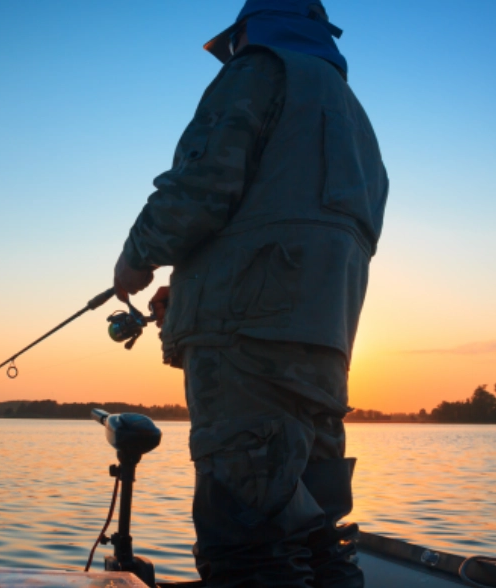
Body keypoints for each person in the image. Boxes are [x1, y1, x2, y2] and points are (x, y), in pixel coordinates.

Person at [112, 1, 388, 586]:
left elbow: (200, 189)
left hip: (245, 347)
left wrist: (136, 256)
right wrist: (186, 296)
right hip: (325, 346)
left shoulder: (257, 70)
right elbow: (294, 226)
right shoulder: (352, 113)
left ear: (245, 33)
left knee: (244, 536)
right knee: (317, 532)